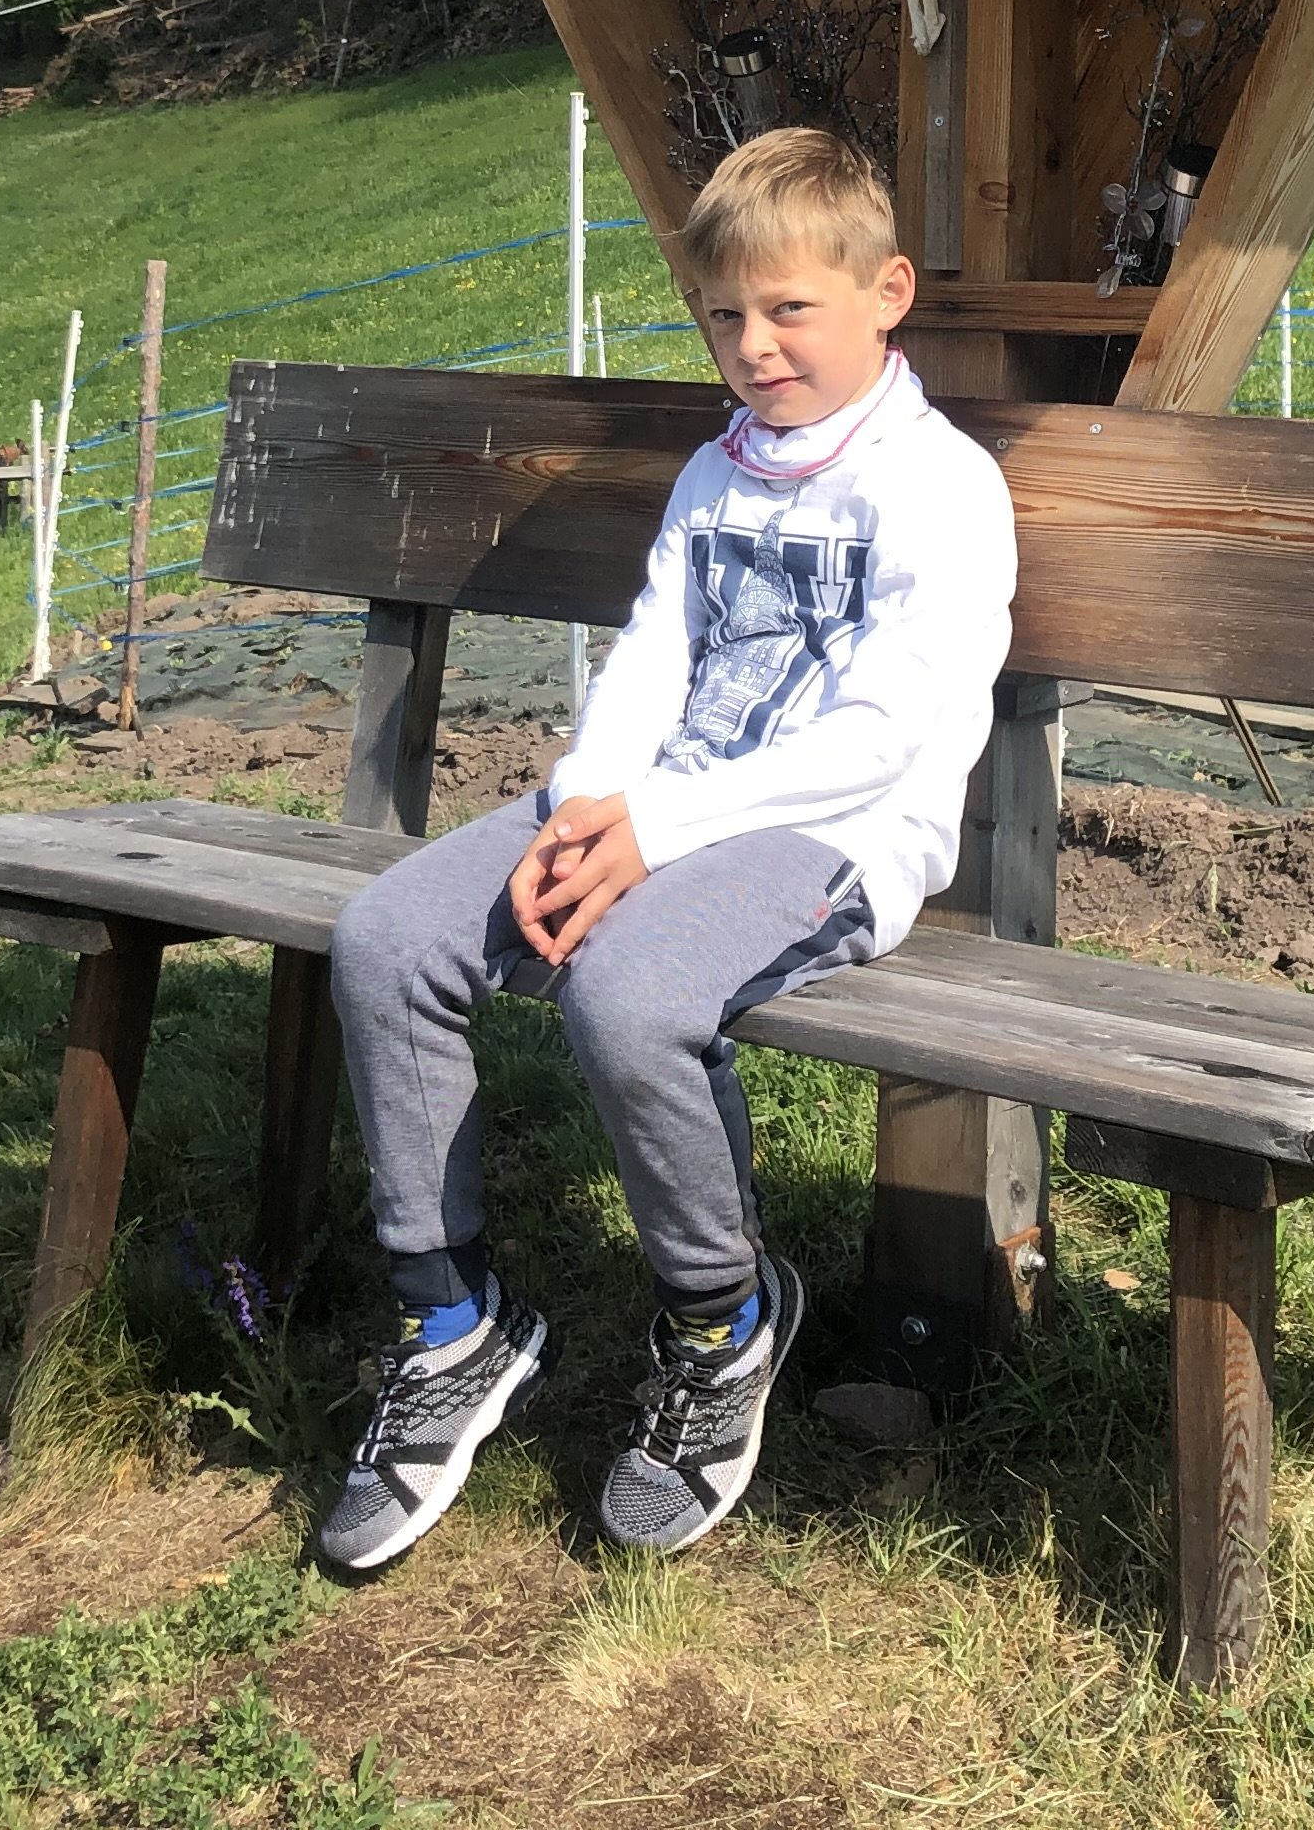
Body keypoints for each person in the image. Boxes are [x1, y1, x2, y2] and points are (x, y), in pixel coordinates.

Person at [313, 126, 1016, 1571]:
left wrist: (657, 830)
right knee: (386, 941)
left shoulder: (940, 489)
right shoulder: (717, 474)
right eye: (723, 315)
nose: (753, 346)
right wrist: (586, 807)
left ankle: (721, 1319)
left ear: (887, 293)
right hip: (654, 807)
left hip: (829, 840)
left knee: (629, 995)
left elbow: (884, 735)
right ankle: (451, 1321)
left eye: (789, 309)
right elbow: (651, 659)